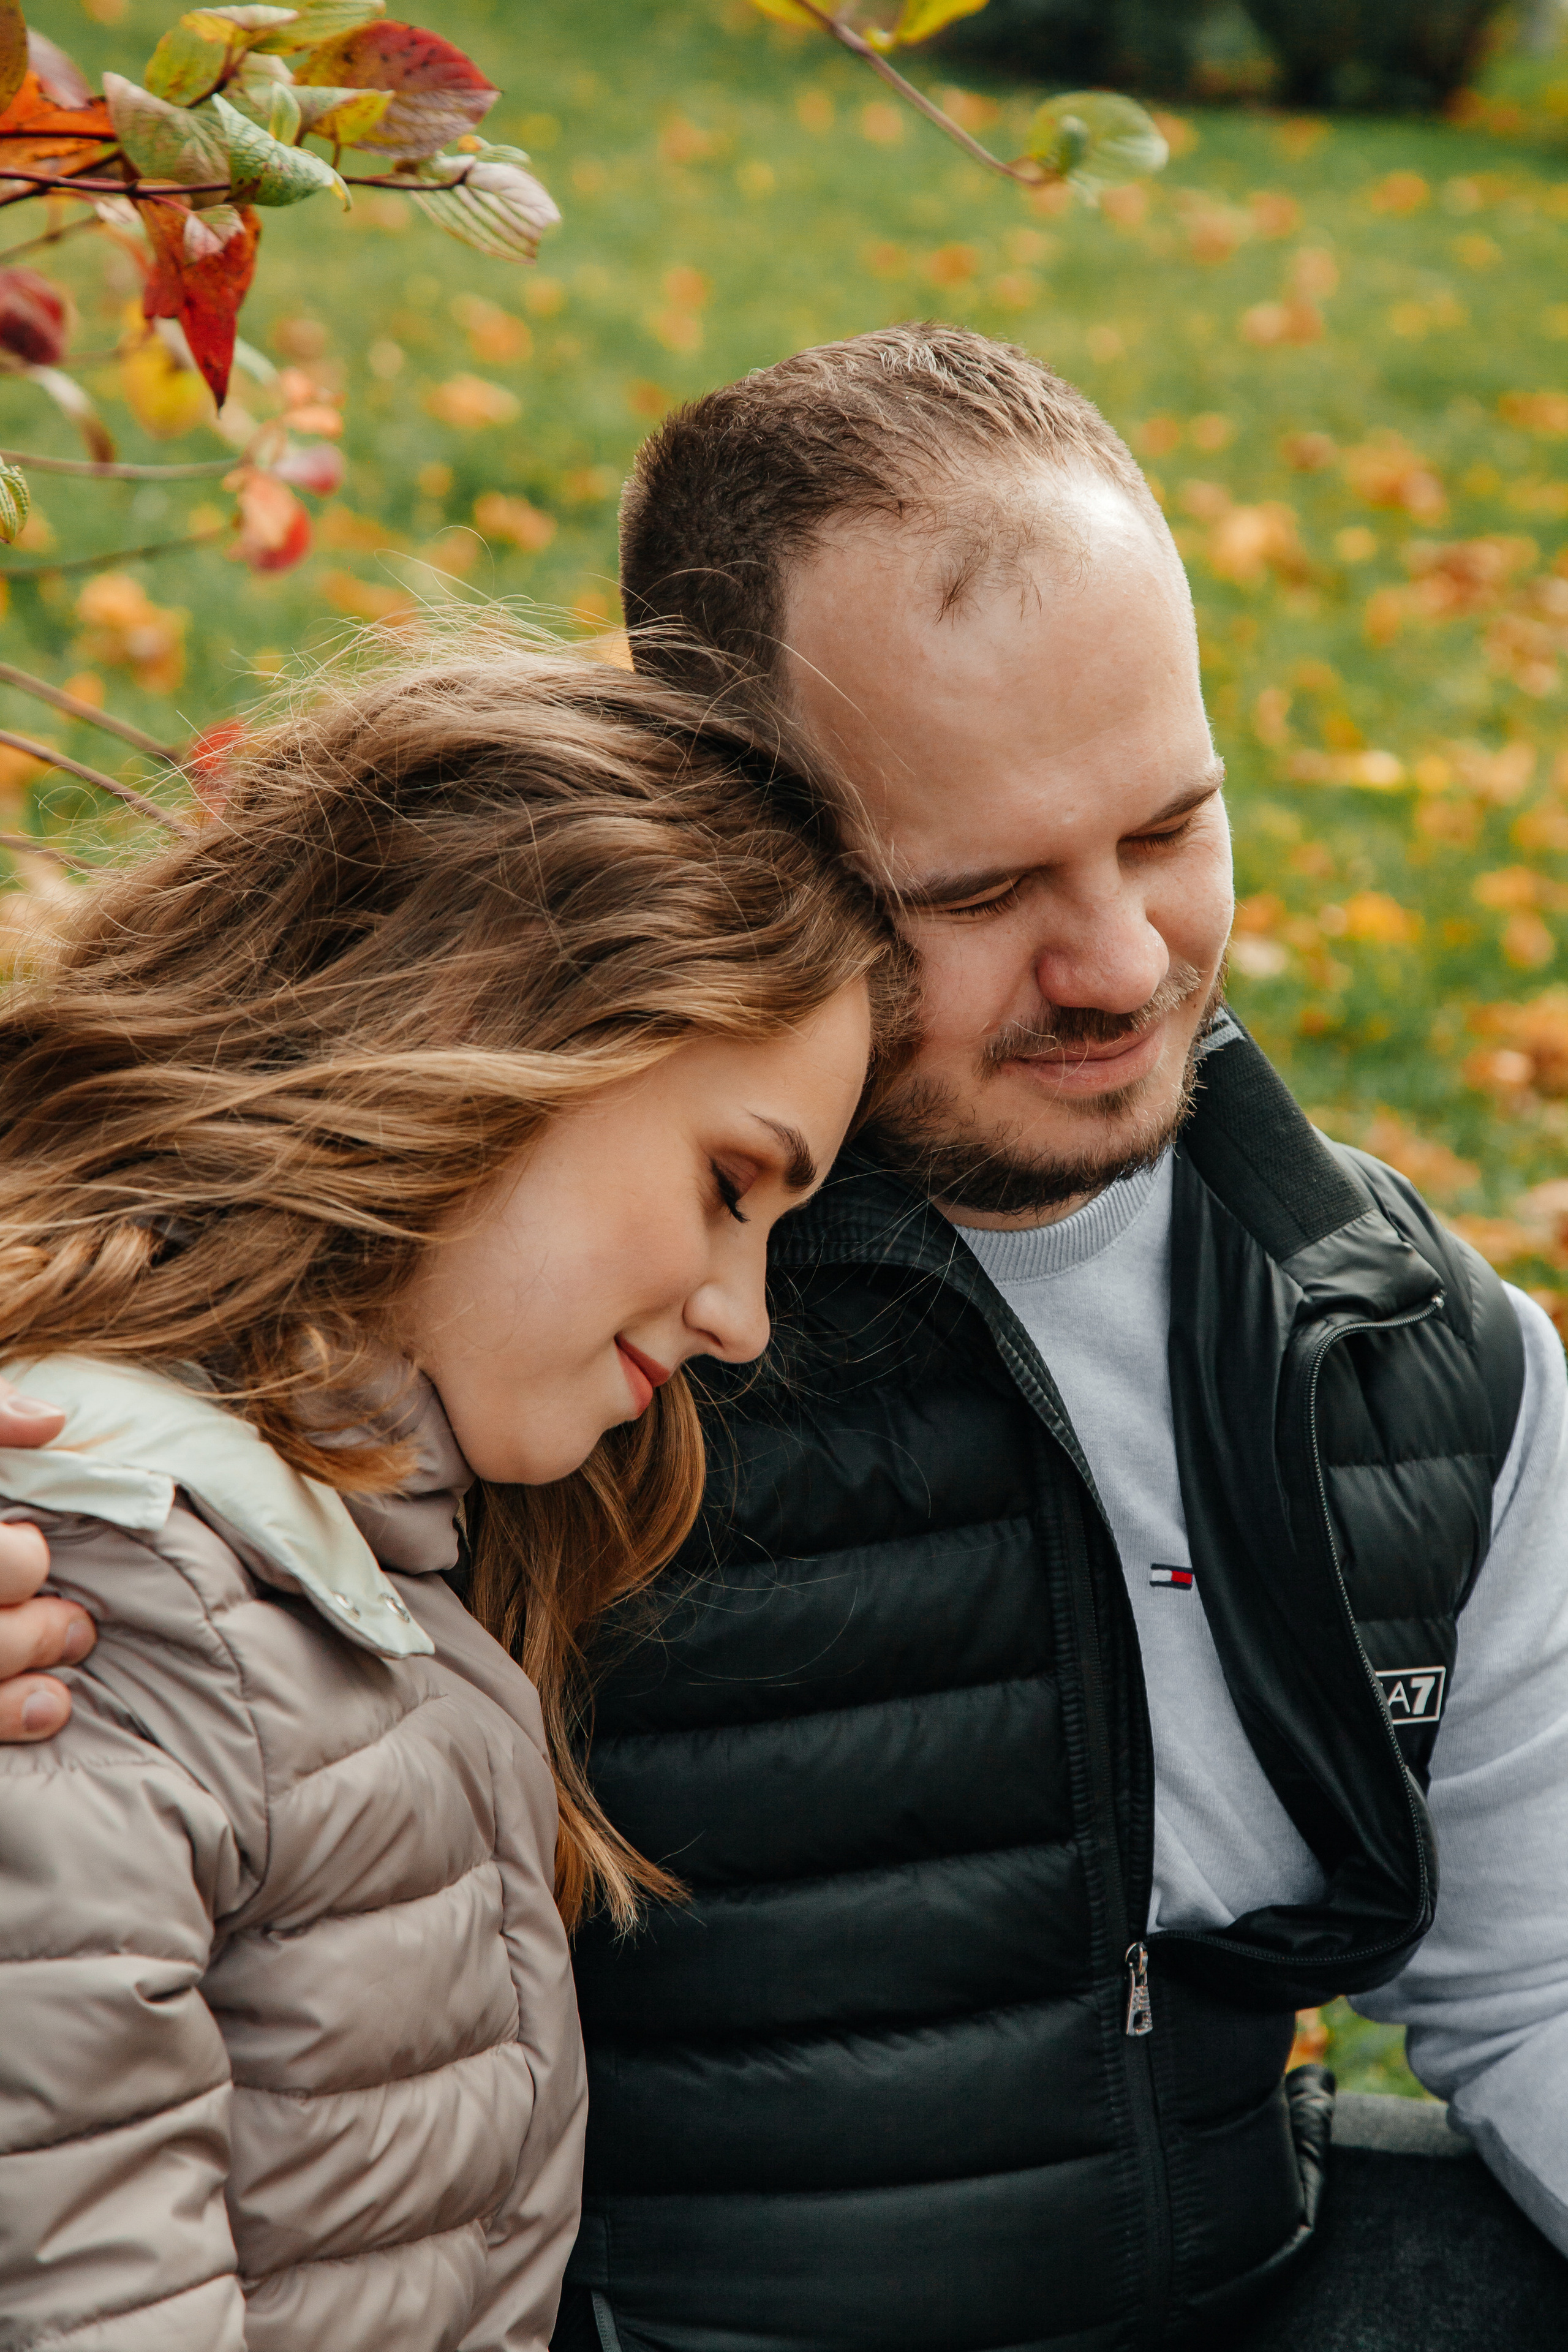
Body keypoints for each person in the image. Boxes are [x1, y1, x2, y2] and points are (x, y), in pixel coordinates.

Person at [6, 333, 1568, 2352]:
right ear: (734, 843)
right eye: (984, 887)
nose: (1119, 965)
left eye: (1170, 828)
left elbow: (1541, 1980)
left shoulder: (1414, 1357)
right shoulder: (540, 1324)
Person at [0, 643, 893, 2351]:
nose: (742, 1316)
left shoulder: (349, 1574)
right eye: (727, 1185)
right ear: (492, 1025)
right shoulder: (111, 1592)